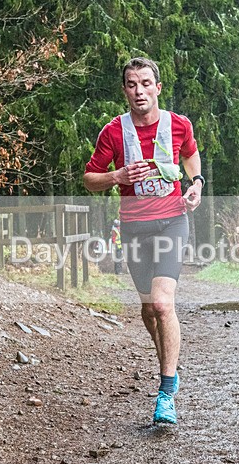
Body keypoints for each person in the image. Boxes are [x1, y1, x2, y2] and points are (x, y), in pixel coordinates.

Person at [84, 56, 204, 425]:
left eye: (146, 83)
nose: (139, 91)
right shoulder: (113, 132)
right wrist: (117, 174)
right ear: (125, 90)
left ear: (158, 88)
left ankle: (166, 392)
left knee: (164, 304)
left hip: (171, 222)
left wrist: (196, 184)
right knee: (149, 310)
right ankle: (168, 361)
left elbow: (192, 157)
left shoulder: (178, 124)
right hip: (134, 228)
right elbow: (89, 178)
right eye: (132, 85)